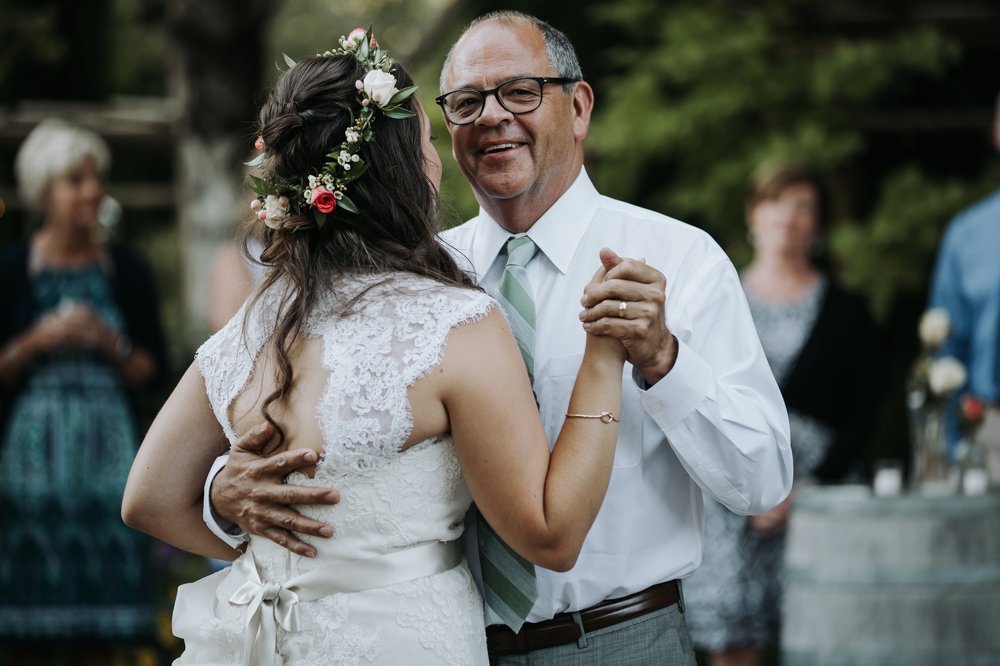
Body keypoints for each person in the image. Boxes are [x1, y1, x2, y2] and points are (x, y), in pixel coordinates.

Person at [202, 12, 794, 666]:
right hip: (446, 646)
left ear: (580, 107)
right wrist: (219, 497)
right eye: (464, 103)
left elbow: (762, 480)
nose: (490, 116)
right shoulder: (408, 282)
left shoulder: (679, 260)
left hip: (624, 640)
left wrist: (663, 360)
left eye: (520, 92)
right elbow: (335, 426)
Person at [123, 32, 633, 665]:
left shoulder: (254, 325)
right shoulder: (451, 324)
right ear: (400, 173)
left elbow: (146, 499)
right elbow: (550, 536)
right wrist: (606, 355)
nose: (436, 159)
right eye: (425, 143)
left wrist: (248, 530)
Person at [682, 162, 882, 666]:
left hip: (815, 496)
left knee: (815, 636)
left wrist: (800, 493)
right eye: (776, 202)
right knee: (733, 642)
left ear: (818, 223)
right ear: (754, 211)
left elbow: (863, 413)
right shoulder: (714, 298)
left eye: (803, 206)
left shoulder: (847, 310)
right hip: (729, 495)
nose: (788, 217)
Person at [0, 120, 166, 661]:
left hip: (108, 472)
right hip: (27, 478)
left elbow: (156, 372)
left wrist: (108, 342)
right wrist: (34, 341)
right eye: (77, 179)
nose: (93, 190)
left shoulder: (129, 270)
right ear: (43, 191)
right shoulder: (8, 272)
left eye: (97, 177)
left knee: (103, 641)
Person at [928, 90, 1000, 482]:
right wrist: (952, 443)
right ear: (996, 132)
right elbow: (947, 347)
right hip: (990, 434)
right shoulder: (968, 234)